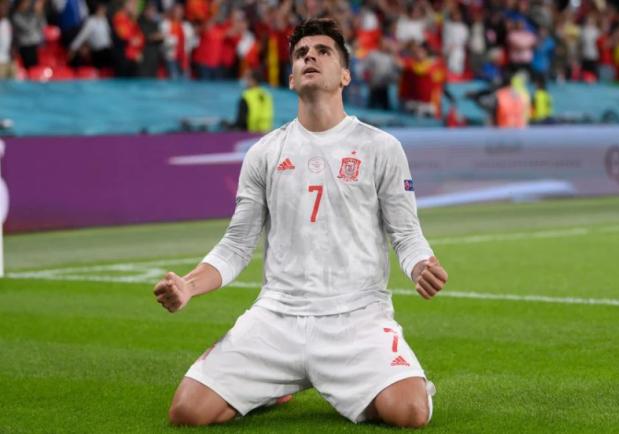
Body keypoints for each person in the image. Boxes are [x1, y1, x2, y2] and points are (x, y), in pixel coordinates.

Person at [154, 18, 448, 428]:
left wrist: (419, 265)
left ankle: (370, 379)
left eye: (323, 51)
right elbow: (236, 245)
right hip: (277, 318)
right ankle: (276, 385)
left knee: (411, 413)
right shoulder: (264, 153)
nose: (310, 57)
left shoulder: (381, 147)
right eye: (301, 54)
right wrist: (189, 285)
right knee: (187, 412)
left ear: (344, 75)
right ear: (292, 78)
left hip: (356, 318)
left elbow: (406, 233)